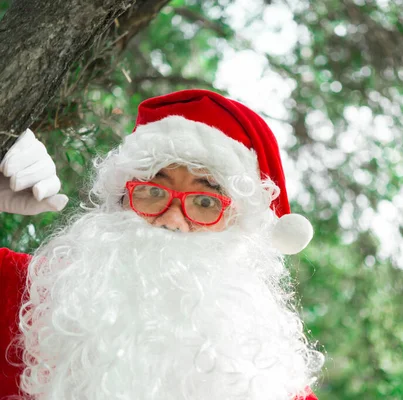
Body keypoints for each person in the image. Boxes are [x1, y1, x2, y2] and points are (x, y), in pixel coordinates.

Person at [0, 89, 323, 400]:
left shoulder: (271, 384)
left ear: (241, 228)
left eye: (205, 203)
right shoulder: (29, 294)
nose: (172, 220)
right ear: (122, 201)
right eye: (153, 192)